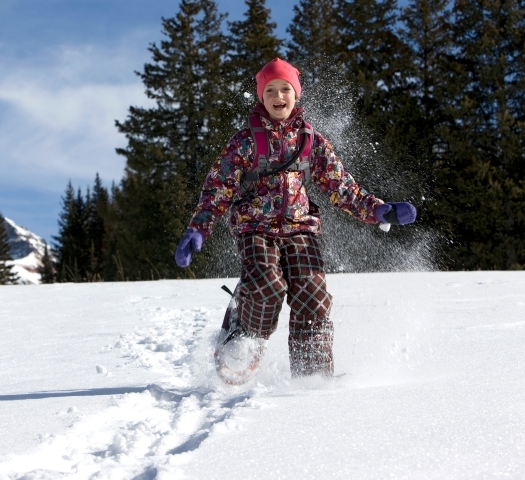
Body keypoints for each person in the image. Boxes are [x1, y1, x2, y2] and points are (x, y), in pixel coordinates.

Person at [174, 58, 416, 382]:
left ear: (296, 94)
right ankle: (241, 336)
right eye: (270, 90)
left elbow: (341, 186)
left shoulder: (311, 141)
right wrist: (197, 230)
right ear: (262, 97)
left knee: (313, 293)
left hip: (301, 228)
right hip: (255, 228)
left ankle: (312, 376)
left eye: (285, 88)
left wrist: (378, 210)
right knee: (267, 286)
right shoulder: (245, 142)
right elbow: (217, 190)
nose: (278, 96)